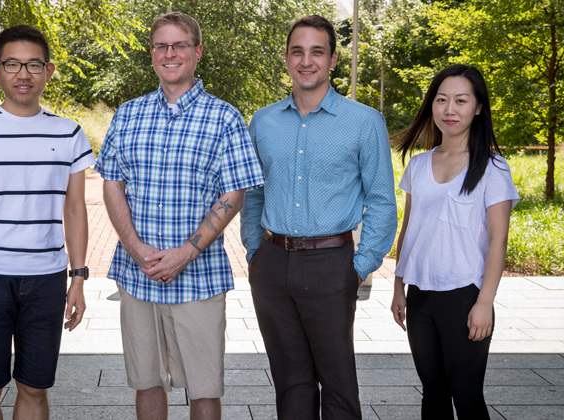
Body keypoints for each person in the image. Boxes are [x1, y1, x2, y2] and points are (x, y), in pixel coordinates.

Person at [95, 11, 265, 420]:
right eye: (161, 46)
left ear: (197, 51)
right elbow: (111, 182)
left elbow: (235, 192)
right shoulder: (128, 113)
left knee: (204, 389)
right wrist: (135, 248)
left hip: (198, 278)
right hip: (137, 275)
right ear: (152, 53)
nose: (170, 53)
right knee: (146, 382)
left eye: (180, 45)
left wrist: (186, 252)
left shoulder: (224, 118)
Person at [240, 14, 397, 420]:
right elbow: (255, 192)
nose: (306, 60)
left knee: (338, 382)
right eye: (297, 51)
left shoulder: (364, 122)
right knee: (290, 380)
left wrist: (359, 267)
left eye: (316, 51)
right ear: (287, 59)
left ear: (332, 60)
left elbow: (381, 201)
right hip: (272, 263)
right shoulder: (263, 121)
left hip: (332, 264)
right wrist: (255, 252)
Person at [0, 25, 93, 419]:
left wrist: (77, 279)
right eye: (12, 64)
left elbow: (74, 210)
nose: (23, 74)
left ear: (49, 71)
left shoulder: (70, 132)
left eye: (33, 65)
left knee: (35, 388)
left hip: (46, 279)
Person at [390, 64, 519, 419]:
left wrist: (484, 302)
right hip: (421, 298)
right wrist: (399, 287)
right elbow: (409, 229)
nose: (450, 109)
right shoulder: (418, 165)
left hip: (466, 296)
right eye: (442, 99)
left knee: (466, 396)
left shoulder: (494, 168)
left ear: (478, 108)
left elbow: (498, 241)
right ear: (432, 105)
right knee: (432, 393)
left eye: (461, 101)